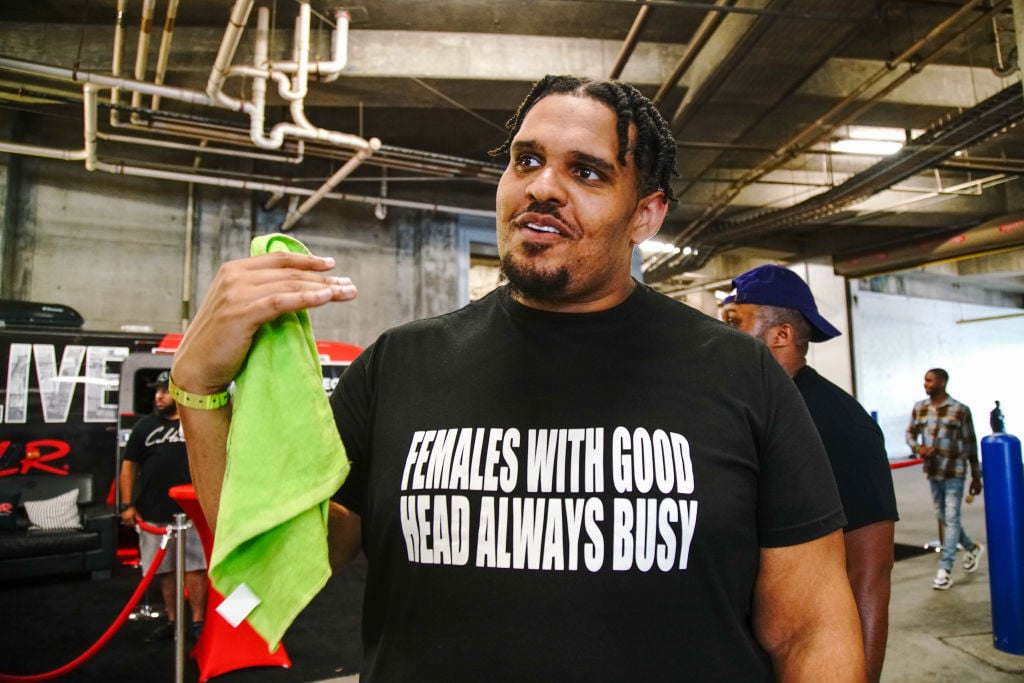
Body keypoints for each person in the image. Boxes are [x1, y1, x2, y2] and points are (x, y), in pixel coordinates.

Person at [171, 75, 864, 680]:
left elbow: (810, 631)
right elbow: (292, 555)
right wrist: (198, 386)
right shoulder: (402, 363)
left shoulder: (739, 373)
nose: (541, 186)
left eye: (586, 172)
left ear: (645, 214)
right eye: (526, 160)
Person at [721, 264, 899, 683]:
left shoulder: (841, 424)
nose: (720, 332)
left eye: (733, 322)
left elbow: (870, 572)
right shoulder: (744, 411)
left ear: (780, 335)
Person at [119, 370, 208, 643]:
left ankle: (197, 622)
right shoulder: (144, 427)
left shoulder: (196, 423)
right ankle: (172, 620)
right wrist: (127, 505)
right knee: (164, 570)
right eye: (157, 391)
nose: (159, 396)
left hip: (192, 512)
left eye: (165, 390)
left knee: (195, 568)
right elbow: (128, 467)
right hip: (154, 511)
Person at [905, 368, 984, 590]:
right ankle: (972, 548)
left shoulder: (960, 410)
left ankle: (945, 569)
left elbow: (971, 444)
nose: (925, 384)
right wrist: (919, 448)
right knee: (944, 516)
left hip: (955, 472)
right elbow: (910, 434)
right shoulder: (920, 408)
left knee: (950, 517)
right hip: (933, 471)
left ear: (942, 382)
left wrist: (976, 476)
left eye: (929, 380)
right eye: (924, 380)